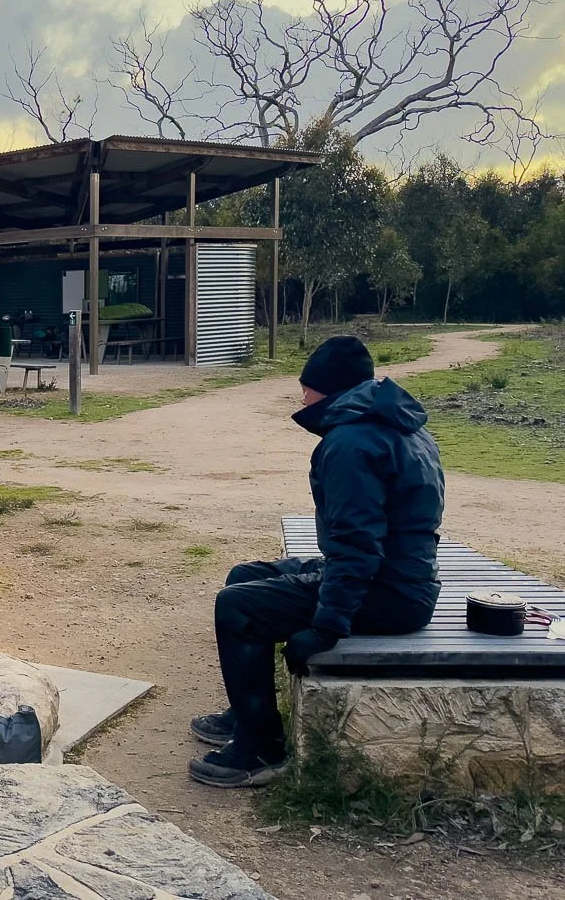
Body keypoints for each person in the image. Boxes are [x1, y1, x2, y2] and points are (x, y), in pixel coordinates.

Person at [188, 336, 445, 788]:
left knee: (237, 607)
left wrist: (327, 626)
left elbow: (358, 546)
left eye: (306, 388)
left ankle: (261, 751)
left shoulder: (350, 443)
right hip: (399, 579)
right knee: (244, 577)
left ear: (328, 389)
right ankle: (249, 713)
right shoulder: (395, 424)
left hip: (387, 593)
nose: (301, 397)